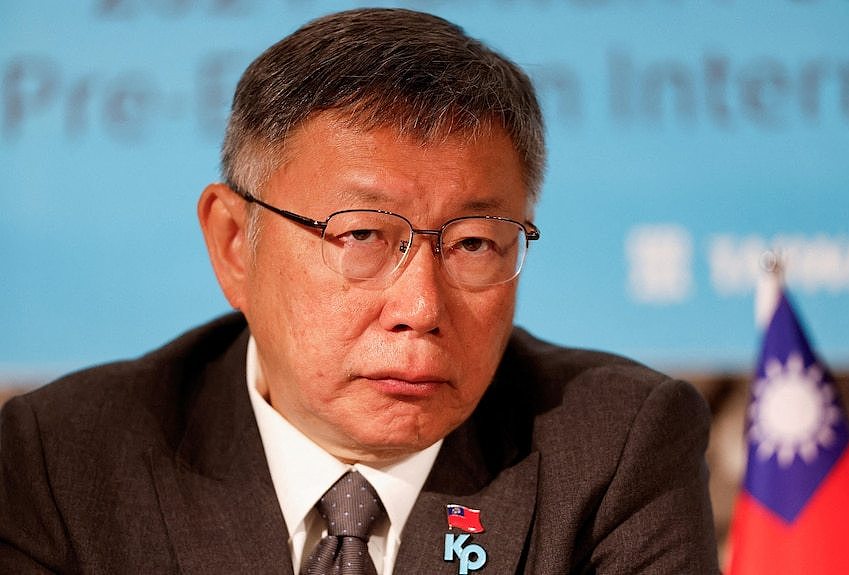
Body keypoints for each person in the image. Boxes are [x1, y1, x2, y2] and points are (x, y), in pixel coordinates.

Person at [0, 8, 718, 574]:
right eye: (364, 237)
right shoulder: (65, 462)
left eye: (473, 243)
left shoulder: (614, 449)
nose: (421, 310)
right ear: (233, 243)